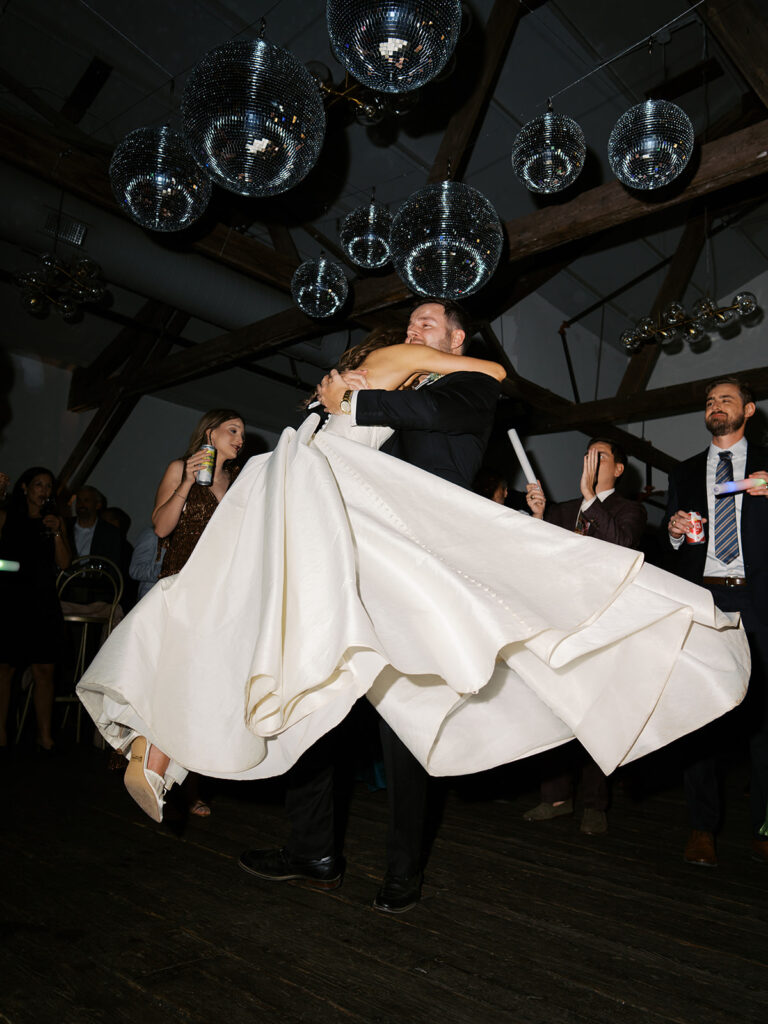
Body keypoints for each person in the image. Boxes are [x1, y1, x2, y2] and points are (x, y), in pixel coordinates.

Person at [78, 304, 748, 912]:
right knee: (303, 688)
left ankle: (402, 870)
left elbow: (435, 415)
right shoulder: (388, 376)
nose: (416, 329)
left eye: (431, 323)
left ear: (456, 338)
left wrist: (355, 400)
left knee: (408, 723)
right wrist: (337, 407)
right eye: (413, 323)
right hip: (349, 558)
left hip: (415, 571)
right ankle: (304, 843)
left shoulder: (464, 385)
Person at [666, 377, 768, 867]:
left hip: (757, 599)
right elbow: (677, 537)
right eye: (709, 401)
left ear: (748, 409)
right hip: (703, 599)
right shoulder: (685, 472)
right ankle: (702, 827)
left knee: (764, 716)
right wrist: (674, 531)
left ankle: (764, 824)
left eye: (726, 399)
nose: (715, 406)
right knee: (700, 713)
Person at [523, 439, 647, 835]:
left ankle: (595, 804)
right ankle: (555, 798)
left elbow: (622, 548)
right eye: (587, 455)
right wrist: (539, 517)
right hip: (560, 622)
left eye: (601, 456)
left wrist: (591, 498)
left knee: (597, 713)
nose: (591, 462)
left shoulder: (630, 509)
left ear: (620, 469)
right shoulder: (562, 510)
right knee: (555, 708)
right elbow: (540, 557)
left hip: (604, 625)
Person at [136, 408, 245, 819]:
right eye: (232, 430)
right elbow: (162, 528)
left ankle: (185, 780)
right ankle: (154, 764)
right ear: (209, 432)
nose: (240, 438)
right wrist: (185, 482)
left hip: (221, 592)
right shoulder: (180, 467)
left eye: (243, 433)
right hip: (181, 584)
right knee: (176, 678)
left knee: (205, 688)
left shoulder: (238, 482)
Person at [0, 467, 71, 751]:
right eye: (38, 484)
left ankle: (45, 736)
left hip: (42, 600)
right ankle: (1, 733)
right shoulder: (7, 518)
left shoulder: (53, 521)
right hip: (9, 599)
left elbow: (65, 564)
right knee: (4, 668)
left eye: (48, 486)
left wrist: (56, 533)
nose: (44, 490)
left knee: (44, 670)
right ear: (25, 488)